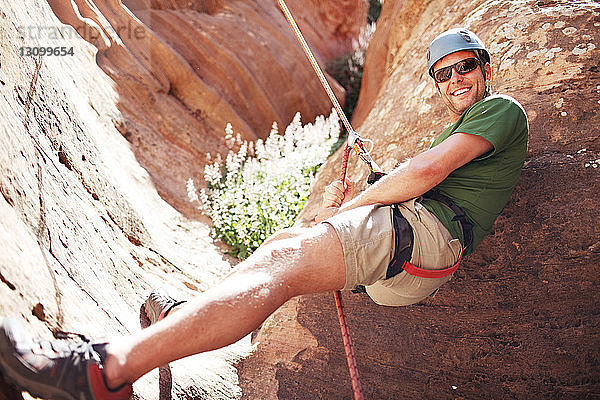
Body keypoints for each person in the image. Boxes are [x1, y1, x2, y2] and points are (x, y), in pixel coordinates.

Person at [0, 27, 528, 399]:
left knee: (284, 262)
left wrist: (360, 202)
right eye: (443, 74)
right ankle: (183, 318)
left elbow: (425, 173)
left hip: (426, 239)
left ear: (487, 68)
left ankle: (102, 372)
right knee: (281, 250)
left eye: (464, 67)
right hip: (416, 250)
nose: (454, 79)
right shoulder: (474, 122)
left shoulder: (501, 110)